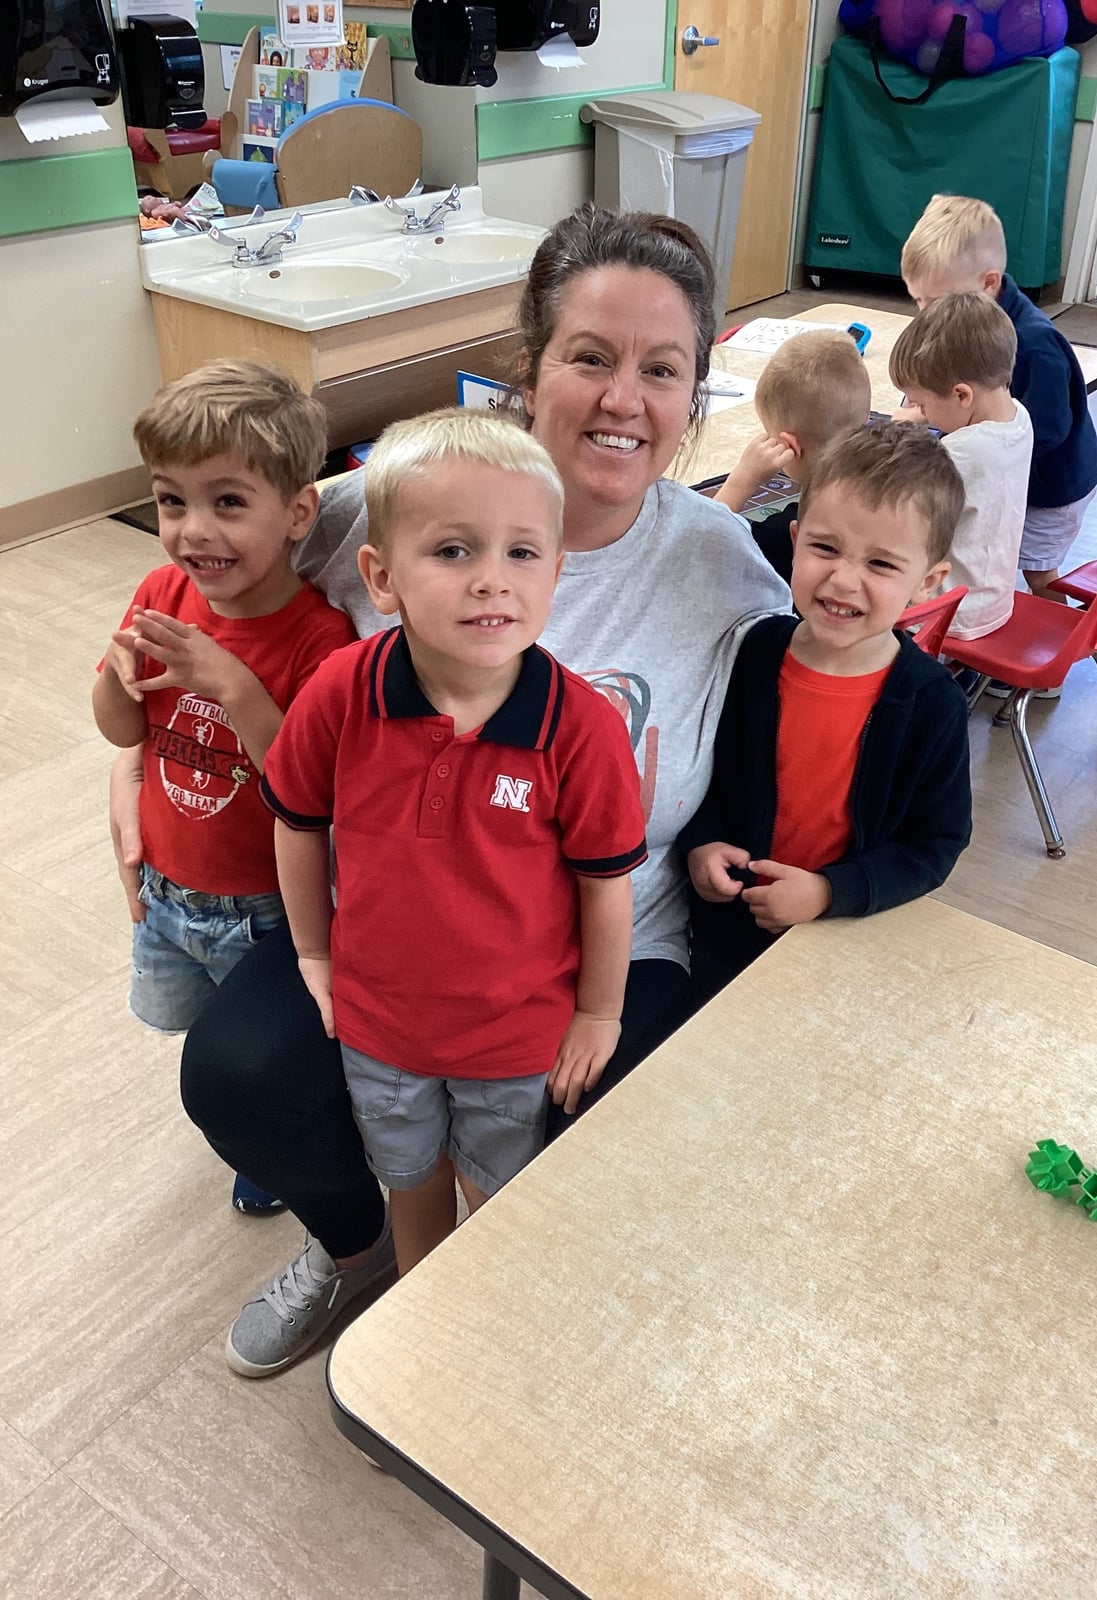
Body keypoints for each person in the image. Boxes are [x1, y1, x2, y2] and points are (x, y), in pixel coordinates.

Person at [107, 205, 792, 1377]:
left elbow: (849, 694)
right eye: (590, 357)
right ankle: (361, 1251)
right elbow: (211, 565)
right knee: (239, 1067)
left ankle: (511, 1306)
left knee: (609, 1146)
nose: (624, 397)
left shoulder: (722, 562)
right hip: (391, 924)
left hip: (598, 946)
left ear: (694, 392)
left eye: (660, 369)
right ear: (530, 367)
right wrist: (131, 761)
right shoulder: (390, 502)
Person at [260, 409, 648, 1297]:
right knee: (411, 1180)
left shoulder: (580, 729)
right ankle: (420, 1312)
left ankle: (487, 1317)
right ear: (381, 576)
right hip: (379, 1027)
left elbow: (605, 888)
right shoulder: (341, 691)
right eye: (453, 551)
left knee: (499, 1192)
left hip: (516, 1039)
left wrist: (599, 1015)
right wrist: (313, 951)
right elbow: (295, 821)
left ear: (556, 571)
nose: (490, 582)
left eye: (521, 553)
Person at [92, 361, 356, 1214]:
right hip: (169, 891)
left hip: (265, 908)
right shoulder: (163, 593)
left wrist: (232, 685)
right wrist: (119, 676)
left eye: (228, 502)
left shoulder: (320, 639)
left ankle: (273, 1134)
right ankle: (252, 1125)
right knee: (197, 1032)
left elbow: (308, 789)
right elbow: (120, 731)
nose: (192, 530)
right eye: (171, 501)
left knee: (269, 1054)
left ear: (298, 513)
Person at [681, 424, 973, 996]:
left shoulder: (931, 702)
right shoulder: (754, 654)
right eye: (825, 547)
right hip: (724, 932)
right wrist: (704, 840)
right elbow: (705, 773)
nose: (843, 579)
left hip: (842, 941)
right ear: (795, 539)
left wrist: (828, 893)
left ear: (928, 582)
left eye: (882, 565)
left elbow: (934, 845)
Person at [900, 195, 1097, 607]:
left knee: (1036, 570)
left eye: (936, 303)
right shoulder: (967, 325)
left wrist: (961, 439)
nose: (924, 315)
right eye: (917, 301)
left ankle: (1047, 643)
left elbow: (1046, 430)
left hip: (1053, 487)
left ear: (988, 283)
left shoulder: (1033, 343)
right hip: (1020, 478)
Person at [888, 292, 1034, 643]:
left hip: (947, 615)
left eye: (922, 403)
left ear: (962, 395)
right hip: (993, 597)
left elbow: (901, 510)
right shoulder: (1018, 418)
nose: (920, 412)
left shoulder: (961, 452)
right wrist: (925, 414)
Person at [714, 330, 872, 581]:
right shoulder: (895, 498)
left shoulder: (788, 531)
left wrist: (742, 479)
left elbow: (700, 541)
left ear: (790, 447)